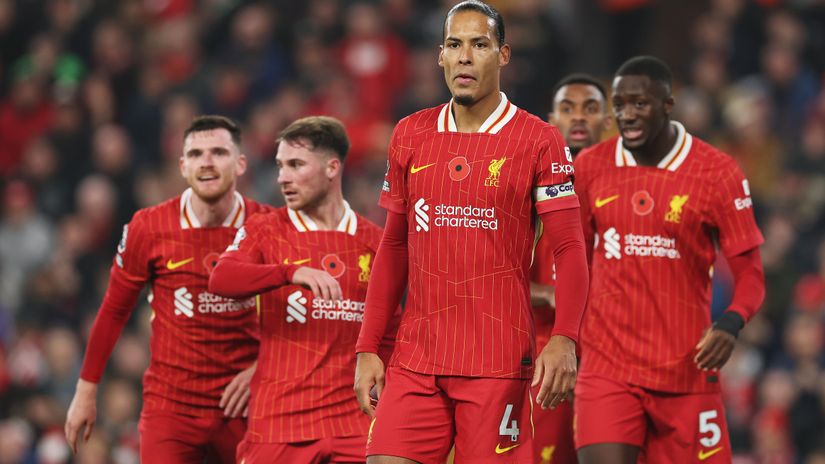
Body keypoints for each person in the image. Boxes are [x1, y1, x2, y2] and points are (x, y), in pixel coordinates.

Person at [353, 2, 590, 463]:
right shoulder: (410, 134)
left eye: (479, 44)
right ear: (440, 55)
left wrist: (565, 338)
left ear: (502, 55)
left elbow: (569, 245)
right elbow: (394, 246)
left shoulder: (538, 140)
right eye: (455, 45)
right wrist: (368, 347)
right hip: (416, 359)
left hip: (496, 361)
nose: (465, 57)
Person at [572, 56, 765, 464]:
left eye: (638, 103)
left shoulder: (717, 173)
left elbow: (751, 274)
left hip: (686, 370)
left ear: (667, 104)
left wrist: (730, 323)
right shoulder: (590, 167)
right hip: (608, 368)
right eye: (619, 104)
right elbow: (573, 262)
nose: (626, 114)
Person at [65, 115, 269, 463]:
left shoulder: (267, 227)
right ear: (182, 166)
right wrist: (86, 388)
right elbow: (114, 310)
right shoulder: (149, 227)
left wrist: (262, 370)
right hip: (172, 407)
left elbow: (296, 319)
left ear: (240, 163)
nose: (206, 162)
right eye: (196, 154)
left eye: (218, 152)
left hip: (244, 404)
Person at [209, 116, 397, 463]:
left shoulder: (375, 241)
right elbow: (221, 279)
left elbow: (393, 328)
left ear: (332, 167)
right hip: (280, 424)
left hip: (352, 426)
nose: (282, 177)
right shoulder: (265, 230)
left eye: (295, 165)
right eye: (280, 166)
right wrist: (289, 273)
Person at [530, 74, 610, 464]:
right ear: (551, 120)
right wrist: (548, 294)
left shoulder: (623, 186)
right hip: (543, 350)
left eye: (590, 108)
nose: (578, 117)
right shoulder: (527, 186)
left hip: (613, 353)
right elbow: (491, 273)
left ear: (608, 121)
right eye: (568, 108)